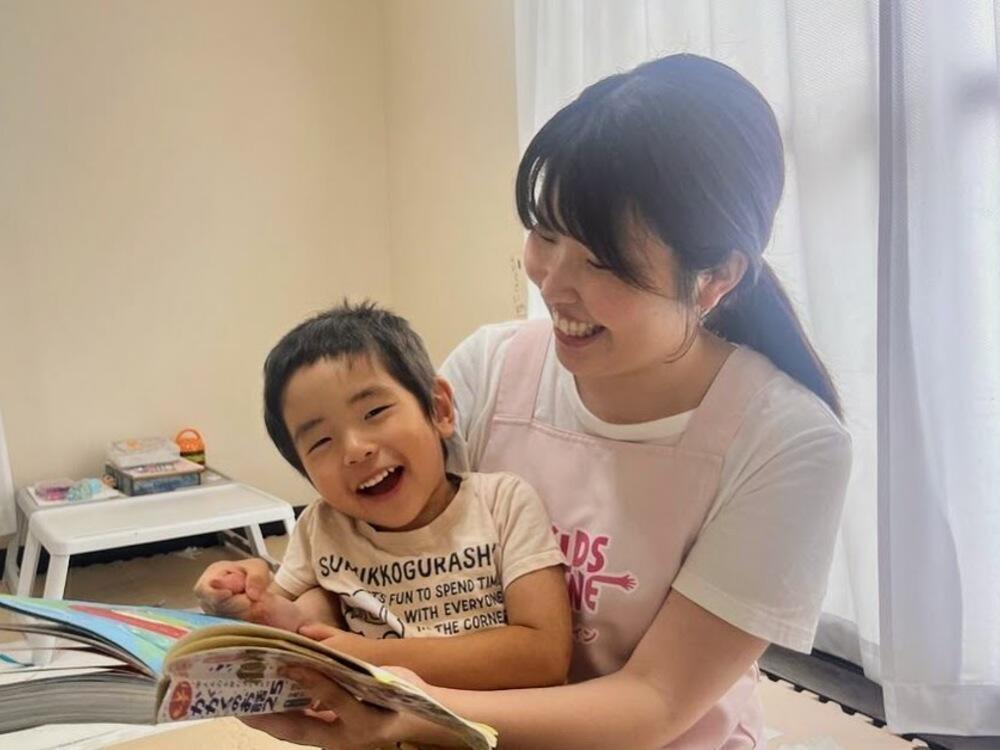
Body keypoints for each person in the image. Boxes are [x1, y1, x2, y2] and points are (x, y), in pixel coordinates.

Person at [239, 53, 852, 749]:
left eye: (602, 261)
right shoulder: (492, 366)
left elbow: (654, 701)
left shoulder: (787, 443)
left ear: (715, 277)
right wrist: (293, 633)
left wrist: (417, 711)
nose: (552, 283)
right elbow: (372, 549)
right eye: (546, 235)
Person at [194, 301, 571, 691]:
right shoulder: (323, 527)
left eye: (374, 412)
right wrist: (247, 592)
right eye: (321, 441)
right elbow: (289, 625)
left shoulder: (503, 504)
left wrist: (368, 656)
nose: (355, 450)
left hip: (499, 723)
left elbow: (544, 656)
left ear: (439, 409)